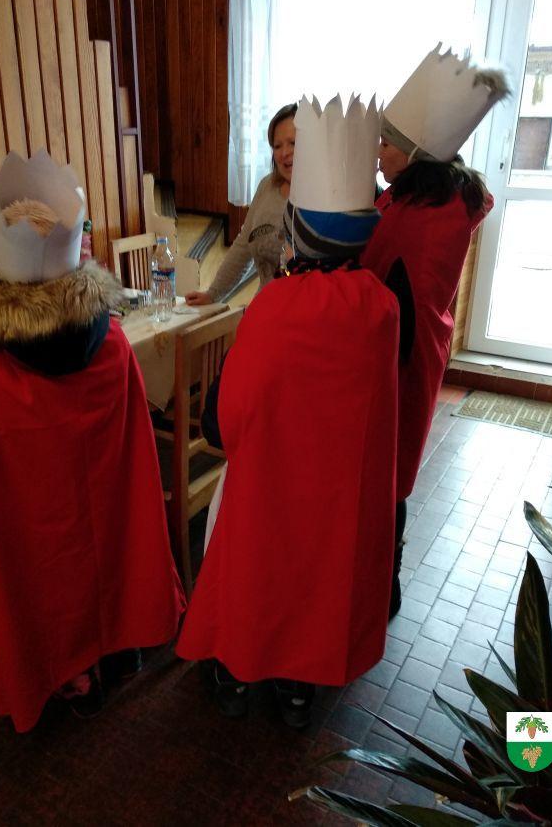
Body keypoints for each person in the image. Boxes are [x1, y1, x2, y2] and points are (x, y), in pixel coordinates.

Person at [177, 95, 400, 727]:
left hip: (274, 477)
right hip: (340, 487)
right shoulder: (380, 306)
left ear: (297, 229)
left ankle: (237, 669)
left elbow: (232, 416)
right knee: (320, 579)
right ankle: (300, 687)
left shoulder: (275, 307)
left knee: (255, 568)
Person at [0, 150, 185, 732]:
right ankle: (121, 644)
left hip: (39, 531)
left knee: (46, 580)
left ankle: (73, 673)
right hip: (108, 504)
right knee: (114, 547)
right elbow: (139, 438)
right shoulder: (112, 344)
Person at [361, 45, 508, 617]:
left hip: (402, 355)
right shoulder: (431, 198)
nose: (378, 151)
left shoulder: (423, 212)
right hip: (417, 349)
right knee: (393, 466)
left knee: (387, 464)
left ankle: (383, 583)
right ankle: (382, 578)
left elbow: (389, 282)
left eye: (386, 143)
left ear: (415, 153)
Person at [185, 103, 296, 305]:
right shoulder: (266, 186)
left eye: (293, 143)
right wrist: (213, 294)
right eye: (277, 146)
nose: (284, 153)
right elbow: (244, 244)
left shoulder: (320, 200)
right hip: (264, 307)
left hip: (300, 312)